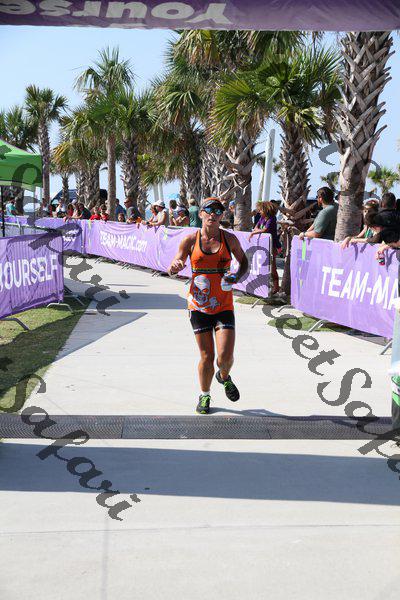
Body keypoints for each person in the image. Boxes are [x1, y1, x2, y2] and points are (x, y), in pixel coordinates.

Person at [168, 197, 249, 415]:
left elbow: (244, 262)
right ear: (201, 213)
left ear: (222, 216)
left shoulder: (229, 239)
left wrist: (236, 277)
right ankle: (204, 395)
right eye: (209, 210)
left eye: (218, 211)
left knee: (225, 358)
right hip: (198, 306)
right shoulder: (190, 240)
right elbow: (173, 265)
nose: (213, 214)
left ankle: (224, 376)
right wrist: (175, 267)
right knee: (207, 357)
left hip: (223, 305)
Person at [249, 201, 282, 295]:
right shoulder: (262, 218)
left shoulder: (272, 218)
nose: (259, 212)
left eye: (260, 210)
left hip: (273, 246)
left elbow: (265, 229)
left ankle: (276, 287)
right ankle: (265, 286)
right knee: (263, 267)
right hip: (264, 246)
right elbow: (256, 227)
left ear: (266, 209)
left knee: (273, 267)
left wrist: (254, 232)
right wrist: (256, 230)